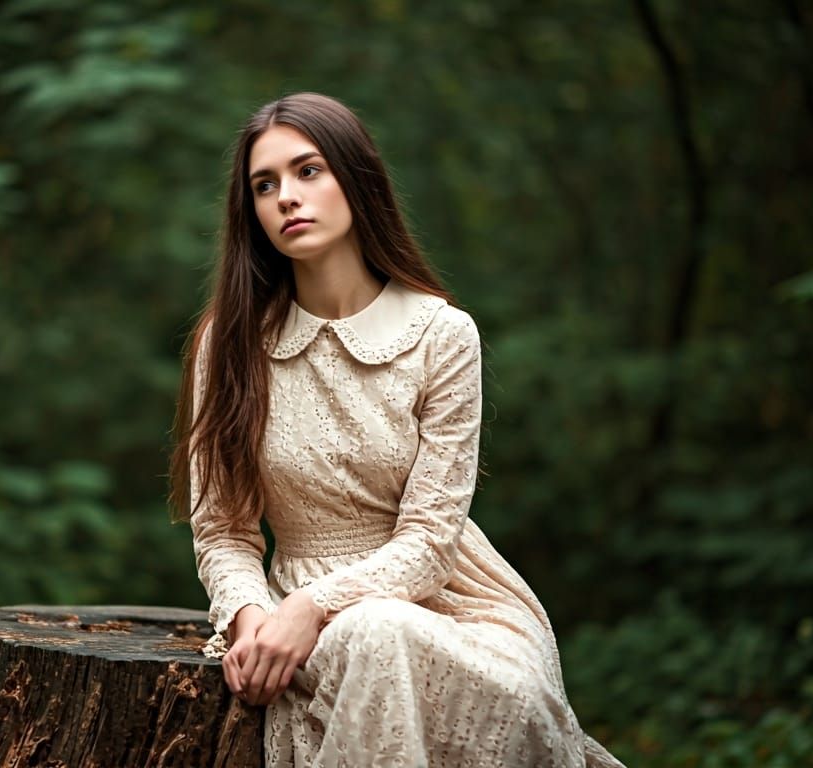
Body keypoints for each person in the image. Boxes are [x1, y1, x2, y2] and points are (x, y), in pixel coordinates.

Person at [169, 92, 627, 768]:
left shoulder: (442, 335)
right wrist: (253, 620)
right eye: (264, 186)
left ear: (356, 178)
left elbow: (431, 542)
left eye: (308, 171)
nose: (286, 198)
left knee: (379, 630)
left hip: (454, 608)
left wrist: (316, 608)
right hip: (298, 612)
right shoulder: (230, 343)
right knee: (369, 636)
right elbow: (223, 529)